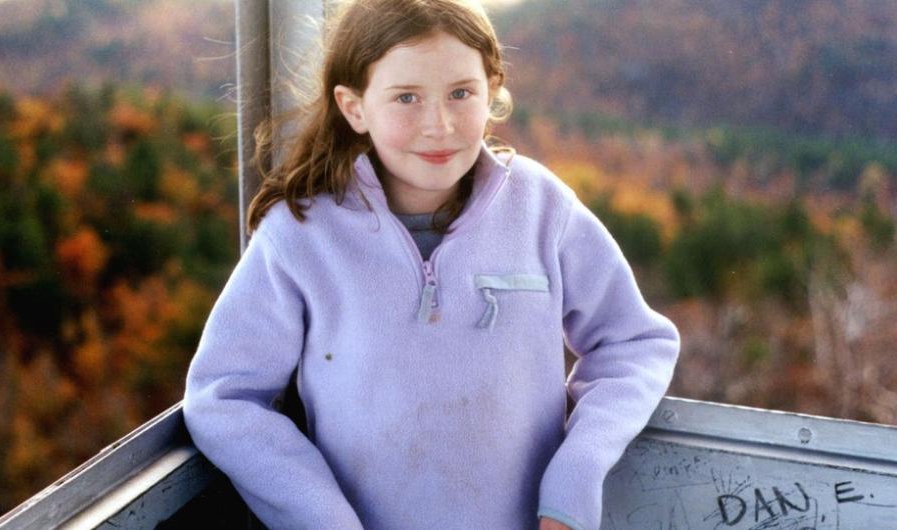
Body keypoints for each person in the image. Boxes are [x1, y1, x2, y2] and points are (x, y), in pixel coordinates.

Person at [183, 0, 680, 528]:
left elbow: (634, 343)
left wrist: (576, 474)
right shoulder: (301, 235)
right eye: (406, 98)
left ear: (492, 91)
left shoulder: (542, 209)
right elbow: (226, 397)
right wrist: (321, 518)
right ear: (355, 108)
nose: (439, 126)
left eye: (461, 93)